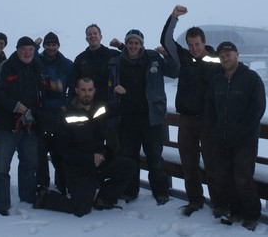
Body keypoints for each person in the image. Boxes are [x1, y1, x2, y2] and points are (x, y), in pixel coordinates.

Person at [33, 77, 135, 217]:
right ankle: (46, 197)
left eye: (89, 90)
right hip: (78, 168)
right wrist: (89, 158)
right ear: (76, 91)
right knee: (80, 210)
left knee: (128, 166)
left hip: (99, 161)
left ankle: (103, 200)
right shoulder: (67, 115)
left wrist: (124, 94)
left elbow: (123, 108)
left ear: (94, 91)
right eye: (83, 90)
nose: (86, 93)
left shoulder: (100, 108)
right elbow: (63, 149)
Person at [0, 36, 62, 216]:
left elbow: (43, 85)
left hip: (30, 125)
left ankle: (28, 197)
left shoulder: (37, 66)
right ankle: (2, 204)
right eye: (24, 49)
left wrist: (53, 86)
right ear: (17, 50)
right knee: (2, 167)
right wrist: (15, 106)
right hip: (7, 125)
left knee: (30, 163)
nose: (27, 52)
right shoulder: (6, 67)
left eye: (30, 49)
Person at [160, 5, 221, 216]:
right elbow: (166, 41)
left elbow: (235, 71)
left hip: (208, 120)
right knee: (189, 164)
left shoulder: (216, 60)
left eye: (197, 44)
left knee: (212, 165)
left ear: (204, 42)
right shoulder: (184, 58)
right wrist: (173, 17)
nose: (194, 48)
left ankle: (219, 204)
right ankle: (195, 200)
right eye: (191, 44)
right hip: (186, 119)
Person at [108, 29, 178, 205]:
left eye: (136, 43)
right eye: (130, 42)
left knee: (155, 157)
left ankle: (160, 192)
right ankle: (131, 191)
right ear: (127, 43)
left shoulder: (152, 58)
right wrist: (114, 89)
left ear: (141, 44)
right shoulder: (117, 62)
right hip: (127, 119)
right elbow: (108, 87)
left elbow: (174, 71)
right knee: (129, 157)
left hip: (151, 118)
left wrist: (168, 54)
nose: (133, 46)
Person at [206, 42, 266, 231]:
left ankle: (251, 214)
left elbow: (257, 109)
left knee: (242, 178)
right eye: (222, 55)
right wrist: (215, 130)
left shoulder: (251, 79)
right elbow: (210, 109)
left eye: (229, 54)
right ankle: (236, 211)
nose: (225, 58)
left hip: (244, 141)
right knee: (223, 178)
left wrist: (240, 132)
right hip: (221, 140)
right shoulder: (217, 81)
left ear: (237, 55)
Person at [69, 24, 123, 152]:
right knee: (91, 149)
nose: (92, 36)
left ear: (100, 36)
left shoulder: (112, 55)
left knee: (112, 150)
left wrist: (120, 46)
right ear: (86, 38)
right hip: (88, 111)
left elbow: (132, 55)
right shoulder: (81, 59)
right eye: (89, 34)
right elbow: (73, 85)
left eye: (95, 33)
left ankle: (110, 172)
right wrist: (71, 105)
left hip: (110, 111)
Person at [36, 31, 73, 195]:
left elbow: (74, 87)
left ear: (58, 46)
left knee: (60, 150)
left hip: (59, 112)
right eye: (48, 44)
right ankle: (42, 183)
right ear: (44, 46)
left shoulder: (66, 64)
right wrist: (35, 45)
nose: (51, 47)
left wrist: (67, 104)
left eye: (54, 44)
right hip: (41, 111)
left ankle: (61, 182)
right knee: (40, 151)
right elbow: (26, 57)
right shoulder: (37, 61)